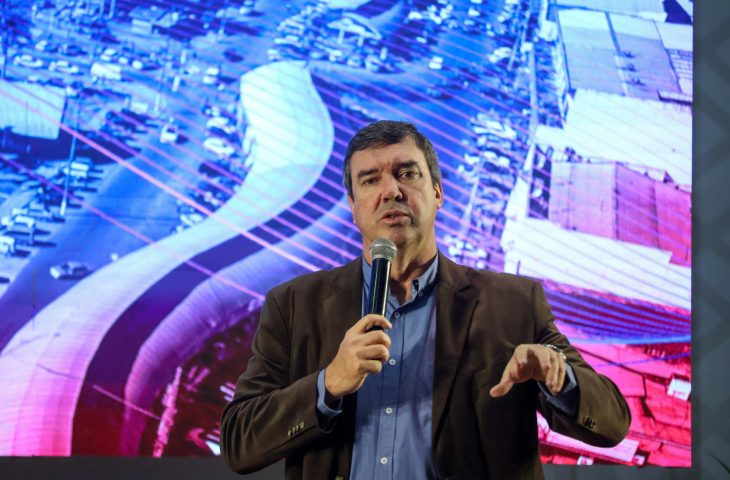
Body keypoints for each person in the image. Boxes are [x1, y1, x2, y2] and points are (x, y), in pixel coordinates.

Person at [220, 121, 630, 479]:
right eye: (370, 180)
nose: (391, 191)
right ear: (353, 207)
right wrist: (328, 385)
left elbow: (612, 423)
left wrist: (559, 377)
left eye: (407, 174)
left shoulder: (513, 303)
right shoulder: (295, 306)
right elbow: (239, 442)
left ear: (436, 192)